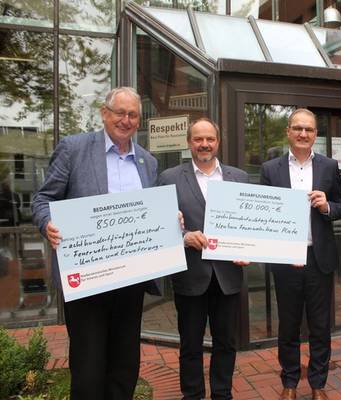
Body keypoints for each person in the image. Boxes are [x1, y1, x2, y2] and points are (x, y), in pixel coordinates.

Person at [31, 86, 160, 400]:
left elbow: (153, 213)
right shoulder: (74, 148)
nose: (126, 120)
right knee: (88, 368)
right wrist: (47, 223)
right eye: (120, 113)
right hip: (88, 278)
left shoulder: (147, 161)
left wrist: (171, 220)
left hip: (131, 278)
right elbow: (43, 199)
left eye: (133, 115)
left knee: (125, 365)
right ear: (105, 113)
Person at [260, 108, 341, 400]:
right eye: (297, 128)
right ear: (288, 131)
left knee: (320, 326)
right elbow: (262, 213)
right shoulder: (270, 169)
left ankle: (318, 383)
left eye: (308, 129)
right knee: (288, 325)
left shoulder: (329, 166)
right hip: (286, 259)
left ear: (315, 135)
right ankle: (289, 382)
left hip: (318, 258)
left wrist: (327, 206)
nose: (302, 133)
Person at [158, 118, 249, 400]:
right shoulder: (169, 178)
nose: (204, 144)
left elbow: (248, 225)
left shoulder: (239, 177)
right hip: (190, 275)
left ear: (218, 142)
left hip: (228, 277)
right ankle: (193, 395)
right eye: (198, 139)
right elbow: (159, 225)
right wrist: (184, 236)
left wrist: (248, 249)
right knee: (190, 345)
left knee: (226, 343)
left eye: (210, 139)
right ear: (189, 142)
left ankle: (222, 394)